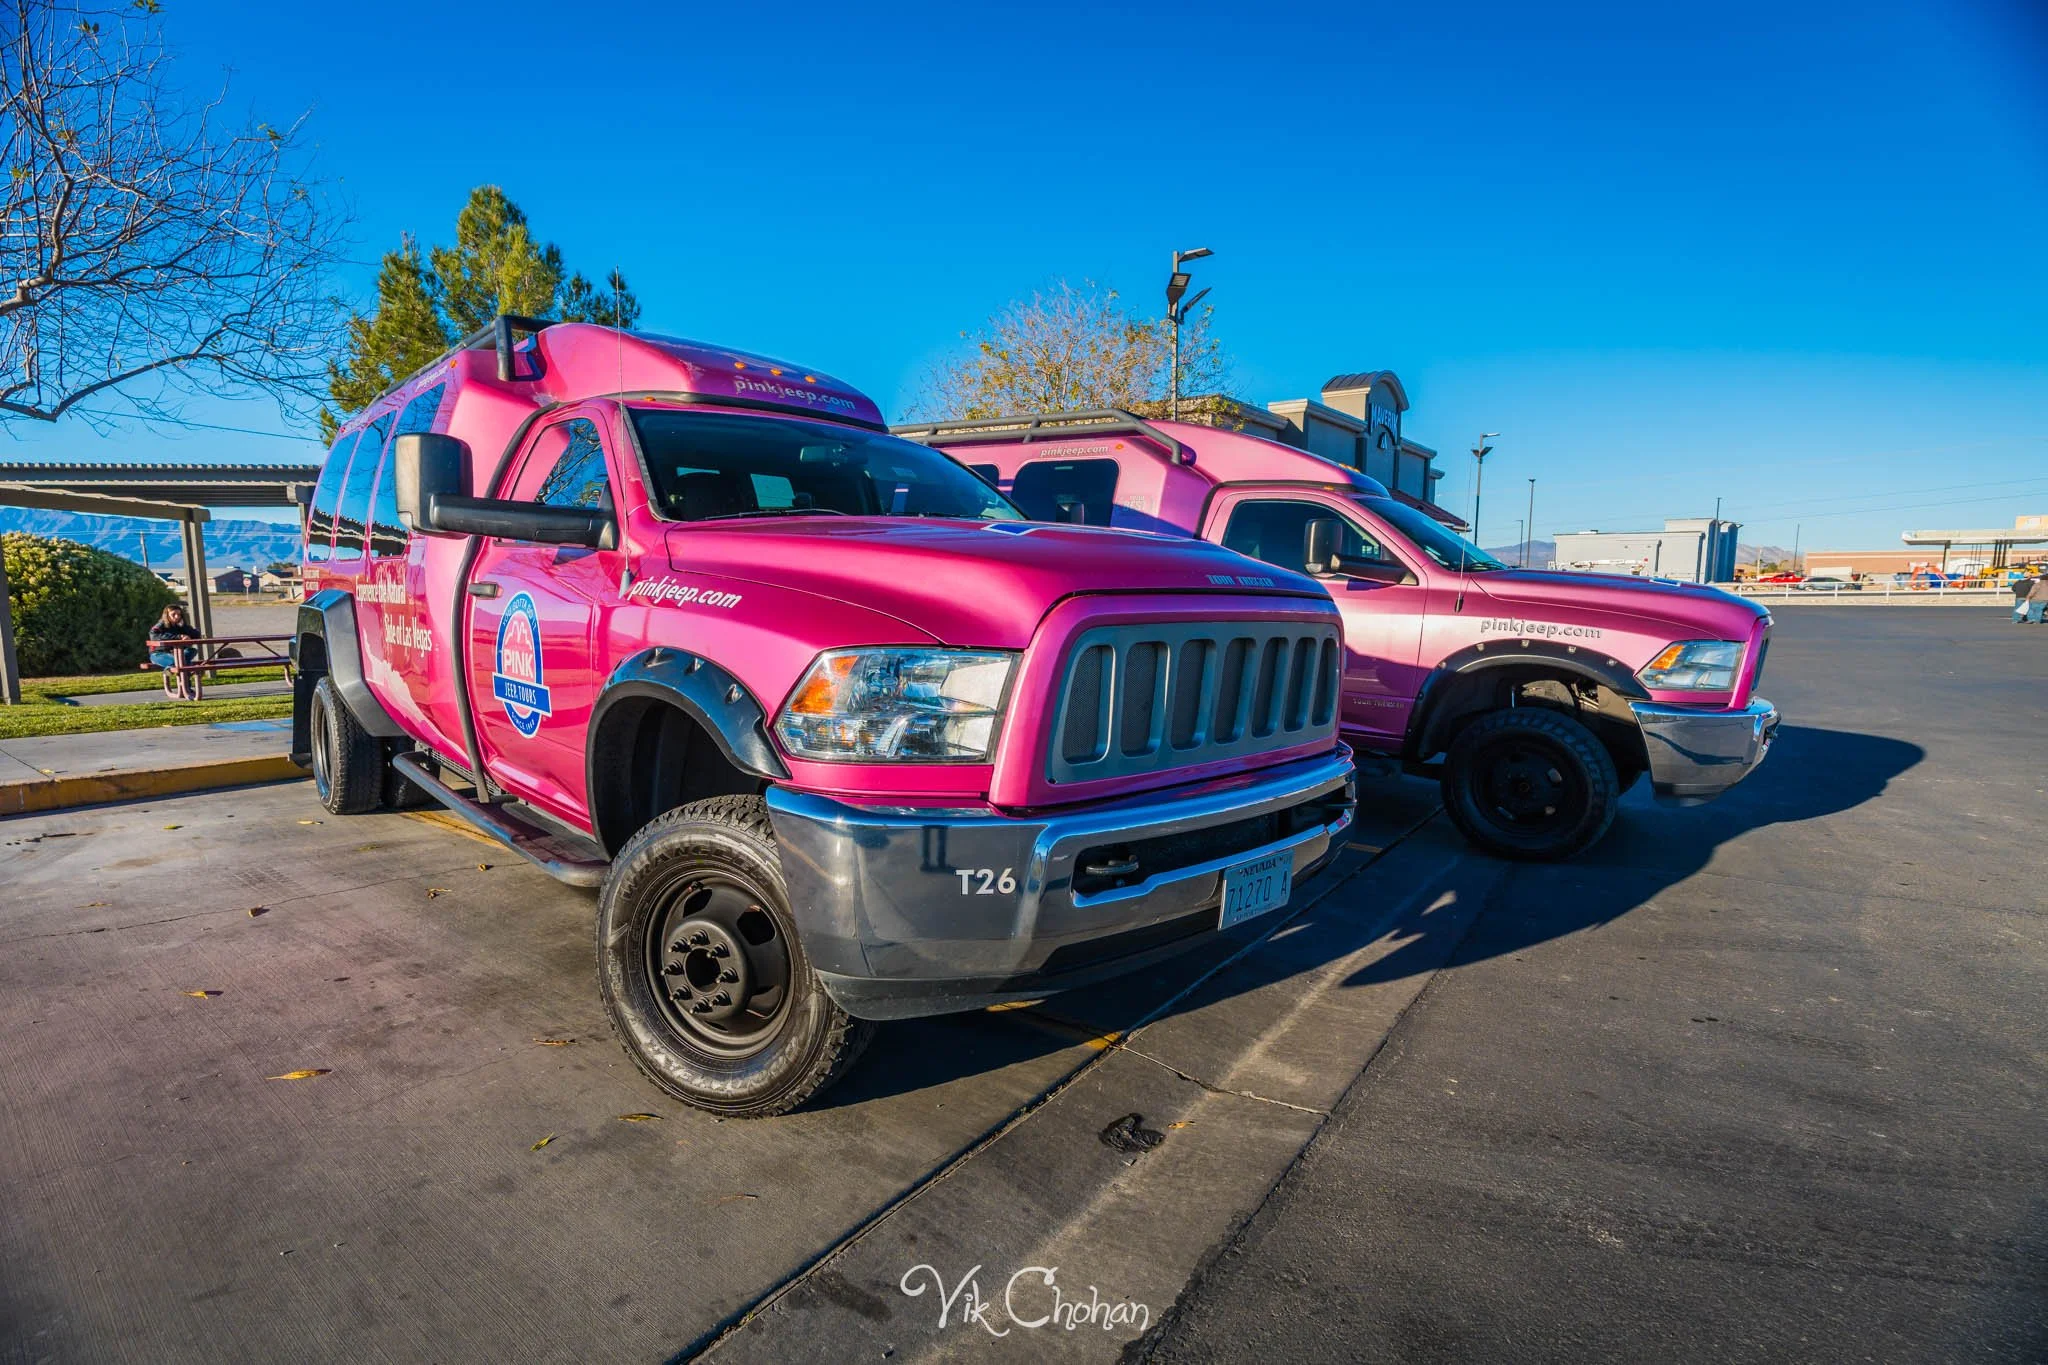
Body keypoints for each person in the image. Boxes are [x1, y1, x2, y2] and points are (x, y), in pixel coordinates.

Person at [148, 604, 203, 699]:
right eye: (173, 614)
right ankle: (187, 689)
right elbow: (154, 637)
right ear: (167, 615)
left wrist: (184, 627)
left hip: (179, 654)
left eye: (179, 614)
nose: (177, 616)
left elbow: (197, 635)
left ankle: (171, 671)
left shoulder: (181, 625)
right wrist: (178, 637)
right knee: (180, 662)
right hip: (159, 654)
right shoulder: (160, 625)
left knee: (191, 651)